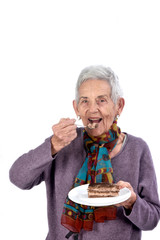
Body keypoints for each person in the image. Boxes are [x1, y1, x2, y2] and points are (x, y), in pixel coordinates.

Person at [9, 65, 160, 240]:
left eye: (101, 100)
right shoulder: (62, 142)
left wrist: (131, 202)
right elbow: (18, 178)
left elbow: (153, 219)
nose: (92, 109)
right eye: (85, 101)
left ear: (119, 105)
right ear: (76, 108)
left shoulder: (137, 148)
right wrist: (52, 145)